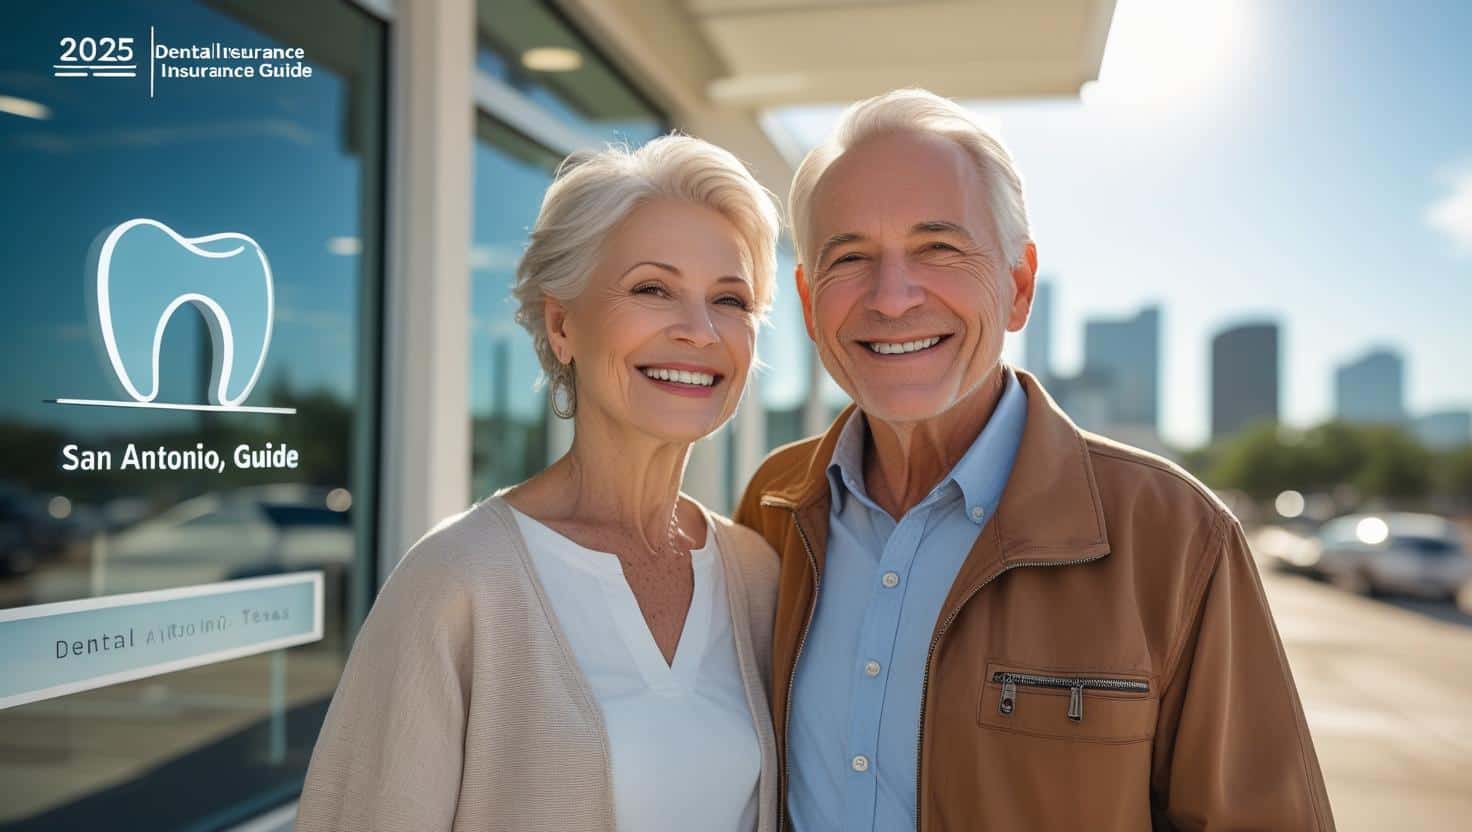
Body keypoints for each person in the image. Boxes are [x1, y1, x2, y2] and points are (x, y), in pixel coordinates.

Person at [734, 89, 1335, 830]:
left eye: (938, 249)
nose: (891, 299)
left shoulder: (1178, 536)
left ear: (1018, 287)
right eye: (850, 257)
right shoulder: (772, 504)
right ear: (807, 299)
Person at [296, 135, 783, 832]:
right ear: (561, 326)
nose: (700, 331)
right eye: (653, 288)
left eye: (730, 299)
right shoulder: (457, 580)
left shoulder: (756, 574)